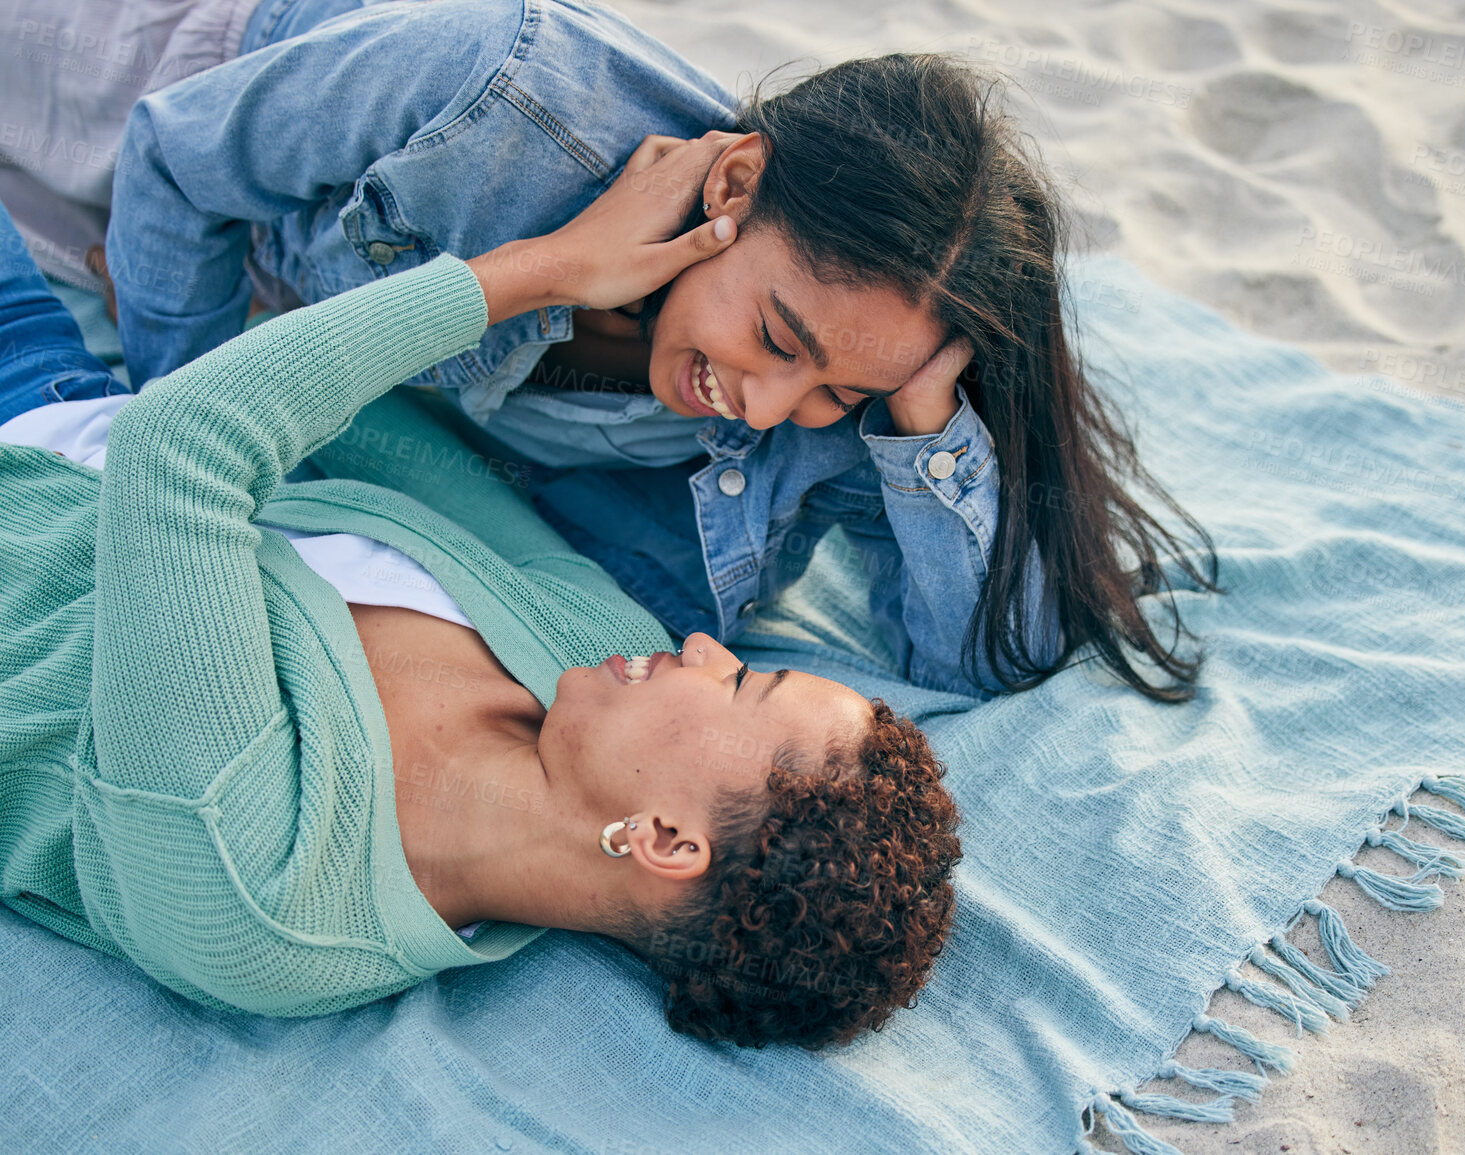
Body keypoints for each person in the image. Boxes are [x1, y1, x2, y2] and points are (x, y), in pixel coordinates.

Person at [0, 136, 961, 1049]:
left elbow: (177, 449)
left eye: (742, 687)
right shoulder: (592, 646)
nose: (708, 649)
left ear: (668, 840)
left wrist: (551, 268)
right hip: (53, 384)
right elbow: (382, 436)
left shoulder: (261, 882)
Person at [96, 0, 1222, 702]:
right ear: (733, 183)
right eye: (779, 338)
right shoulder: (510, 94)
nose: (771, 409)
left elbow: (978, 657)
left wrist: (922, 418)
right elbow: (178, 160)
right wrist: (166, 440)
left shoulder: (846, 416)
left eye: (838, 386)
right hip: (150, 67)